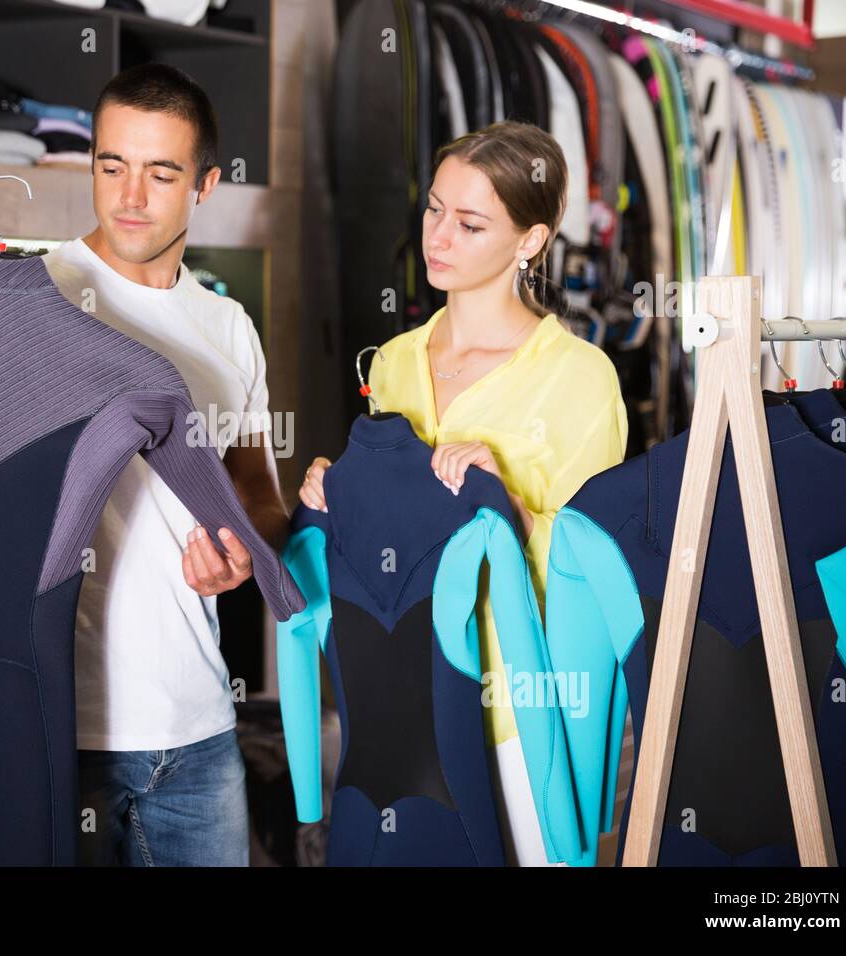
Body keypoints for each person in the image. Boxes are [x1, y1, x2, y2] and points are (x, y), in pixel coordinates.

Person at [0, 63, 287, 867]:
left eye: (161, 172)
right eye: (111, 165)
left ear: (207, 184)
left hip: (200, 733)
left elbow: (256, 492)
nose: (130, 196)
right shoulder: (17, 300)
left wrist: (246, 549)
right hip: (51, 727)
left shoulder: (229, 328)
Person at [299, 121, 627, 865]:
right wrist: (334, 491)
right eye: (434, 209)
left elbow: (601, 570)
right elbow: (385, 534)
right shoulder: (392, 362)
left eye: (471, 223)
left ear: (530, 241)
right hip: (392, 693)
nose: (439, 237)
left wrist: (507, 504)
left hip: (512, 713)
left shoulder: (580, 380)